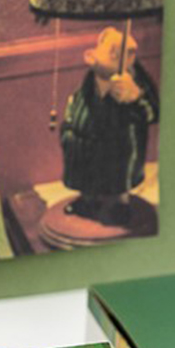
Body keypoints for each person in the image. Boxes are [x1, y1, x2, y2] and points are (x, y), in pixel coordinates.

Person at [60, 26, 159, 226]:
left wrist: (136, 97)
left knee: (117, 174)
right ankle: (88, 200)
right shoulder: (90, 81)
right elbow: (78, 100)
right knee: (87, 172)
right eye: (108, 50)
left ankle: (119, 204)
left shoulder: (134, 82)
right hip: (87, 140)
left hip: (118, 145)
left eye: (115, 53)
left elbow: (153, 113)